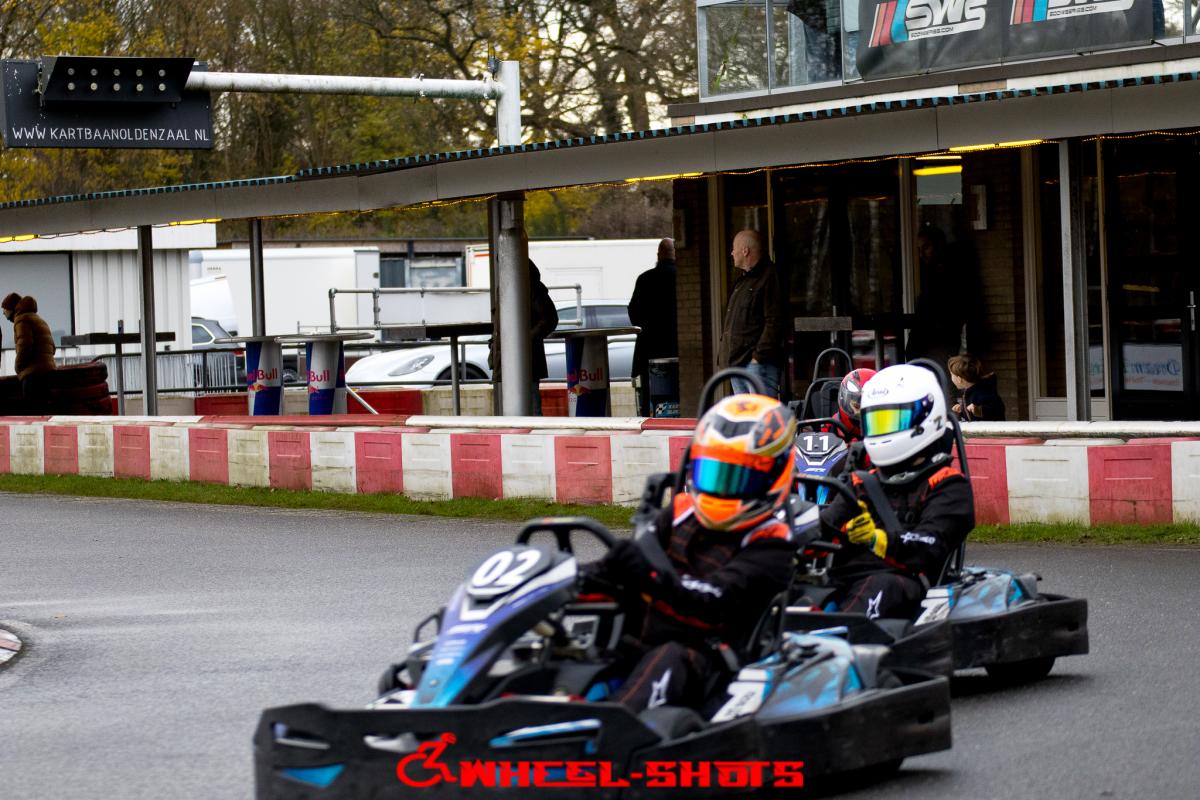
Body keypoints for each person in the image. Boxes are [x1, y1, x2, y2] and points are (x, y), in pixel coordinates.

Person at [588, 393, 798, 712]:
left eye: (738, 477)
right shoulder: (680, 513)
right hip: (642, 641)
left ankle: (607, 729)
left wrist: (649, 575)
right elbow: (626, 571)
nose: (721, 489)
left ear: (774, 476)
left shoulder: (772, 544)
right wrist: (569, 579)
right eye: (713, 473)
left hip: (710, 661)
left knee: (670, 656)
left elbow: (712, 601)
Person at [817, 364, 974, 620]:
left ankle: (831, 637)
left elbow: (930, 546)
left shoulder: (949, 486)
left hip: (904, 582)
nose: (882, 430)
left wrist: (876, 539)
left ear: (925, 419)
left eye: (890, 421)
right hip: (845, 578)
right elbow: (824, 527)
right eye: (876, 422)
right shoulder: (862, 481)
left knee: (880, 586)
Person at [717, 230, 788, 399]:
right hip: (737, 363)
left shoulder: (769, 276)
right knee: (745, 414)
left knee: (761, 413)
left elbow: (774, 321)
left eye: (734, 248)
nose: (731, 253)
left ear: (745, 251)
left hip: (757, 365)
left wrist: (758, 357)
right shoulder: (743, 280)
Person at [904, 224, 984, 365]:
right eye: (919, 250)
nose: (921, 254)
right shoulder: (926, 276)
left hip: (940, 345)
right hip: (926, 347)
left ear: (939, 245)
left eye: (926, 247)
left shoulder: (952, 276)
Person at [488, 260, 558, 415]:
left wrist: (522, 341)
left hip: (523, 357)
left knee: (529, 406)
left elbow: (549, 320)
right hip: (509, 355)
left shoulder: (531, 287)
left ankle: (533, 430)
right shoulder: (507, 287)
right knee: (519, 406)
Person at [628, 238, 677, 417]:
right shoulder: (681, 277)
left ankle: (652, 421)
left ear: (658, 255)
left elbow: (633, 313)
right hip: (676, 346)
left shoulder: (645, 279)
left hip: (649, 348)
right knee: (676, 393)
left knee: (651, 395)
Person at [2, 292, 55, 408]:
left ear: (11, 308)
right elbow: (53, 348)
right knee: (44, 412)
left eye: (5, 309)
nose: (3, 312)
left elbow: (25, 347)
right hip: (48, 373)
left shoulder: (21, 320)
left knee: (32, 411)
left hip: (33, 377)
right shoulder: (39, 319)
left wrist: (18, 367)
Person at [948, 354, 1005, 422]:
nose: (951, 378)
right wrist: (962, 410)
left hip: (991, 428)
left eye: (951, 375)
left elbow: (997, 408)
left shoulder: (983, 391)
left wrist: (979, 410)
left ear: (959, 379)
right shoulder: (970, 392)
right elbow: (972, 416)